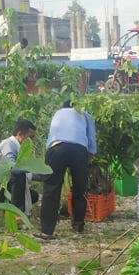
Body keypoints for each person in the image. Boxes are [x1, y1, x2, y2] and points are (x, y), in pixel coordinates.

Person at [38, 99, 96, 238]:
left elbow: (51, 136)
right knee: (80, 188)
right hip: (78, 149)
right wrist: (88, 156)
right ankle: (78, 226)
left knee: (51, 188)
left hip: (56, 148)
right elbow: (91, 138)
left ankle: (46, 230)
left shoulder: (57, 113)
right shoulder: (84, 114)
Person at [0, 118, 38, 213]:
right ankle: (16, 213)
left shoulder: (19, 148)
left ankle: (6, 207)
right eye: (31, 137)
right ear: (20, 134)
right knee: (18, 176)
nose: (33, 141)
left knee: (33, 196)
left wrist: (43, 176)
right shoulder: (9, 144)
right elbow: (12, 169)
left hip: (1, 182)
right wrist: (34, 170)